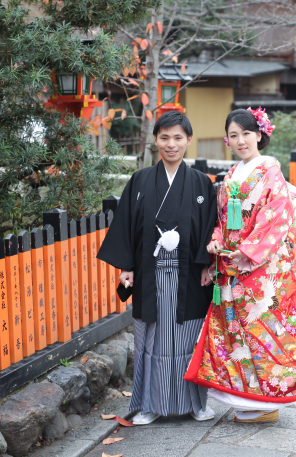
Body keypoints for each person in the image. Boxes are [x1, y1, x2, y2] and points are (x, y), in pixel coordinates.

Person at [184, 107, 296, 423]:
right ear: (227, 140)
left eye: (246, 133)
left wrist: (247, 251)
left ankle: (267, 401)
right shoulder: (232, 174)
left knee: (261, 332)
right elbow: (220, 219)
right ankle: (246, 398)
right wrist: (215, 242)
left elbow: (276, 217)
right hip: (231, 268)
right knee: (235, 335)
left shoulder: (270, 170)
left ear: (259, 135)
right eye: (233, 135)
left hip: (259, 270)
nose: (241, 141)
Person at [97, 111, 218, 425]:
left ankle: (196, 403)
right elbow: (126, 226)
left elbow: (211, 228)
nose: (171, 144)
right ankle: (150, 405)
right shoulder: (140, 181)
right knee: (151, 341)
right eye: (164, 137)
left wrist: (208, 265)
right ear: (155, 140)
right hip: (150, 275)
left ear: (188, 140)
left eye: (178, 137)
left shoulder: (202, 183)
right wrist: (126, 266)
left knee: (189, 340)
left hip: (189, 275)